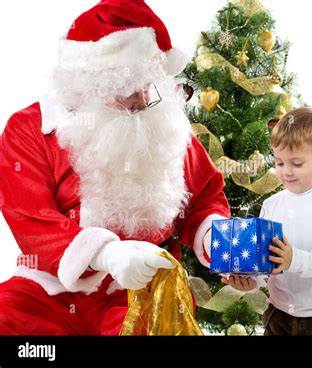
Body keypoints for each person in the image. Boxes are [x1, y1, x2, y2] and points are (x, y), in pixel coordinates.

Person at [0, 0, 230, 335]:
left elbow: (204, 198)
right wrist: (105, 255)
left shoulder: (163, 124)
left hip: (144, 285)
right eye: (125, 92)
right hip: (53, 287)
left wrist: (219, 243)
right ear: (85, 90)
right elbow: (30, 217)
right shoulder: (30, 129)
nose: (140, 101)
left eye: (146, 87)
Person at [222, 107, 312, 336]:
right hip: (278, 315)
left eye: (297, 164)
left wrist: (295, 259)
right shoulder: (271, 204)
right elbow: (266, 260)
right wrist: (251, 279)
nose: (286, 172)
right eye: (280, 163)